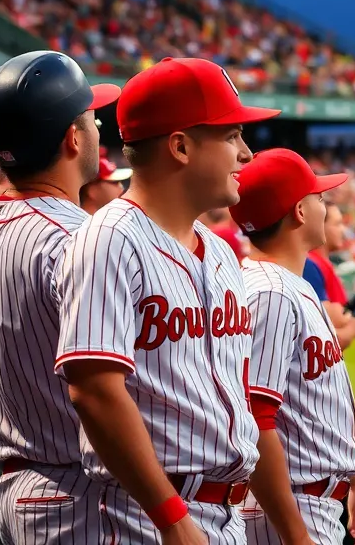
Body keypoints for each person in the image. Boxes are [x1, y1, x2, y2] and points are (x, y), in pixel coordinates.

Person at [55, 57, 279, 545]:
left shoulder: (218, 248)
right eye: (231, 136)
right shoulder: (108, 239)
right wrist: (171, 517)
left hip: (225, 512)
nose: (246, 154)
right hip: (147, 517)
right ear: (180, 146)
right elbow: (94, 391)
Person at [0, 50, 120, 545]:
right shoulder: (86, 240)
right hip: (96, 502)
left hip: (18, 493)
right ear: (73, 138)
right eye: (93, 119)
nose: (100, 129)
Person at [230, 149, 355, 545]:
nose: (324, 206)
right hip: (288, 509)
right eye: (318, 198)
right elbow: (256, 420)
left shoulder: (289, 285)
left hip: (313, 501)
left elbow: (316, 407)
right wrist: (296, 536)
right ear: (298, 212)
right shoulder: (271, 294)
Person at [304, 203, 355, 350]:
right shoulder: (309, 265)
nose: (343, 230)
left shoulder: (321, 264)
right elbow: (317, 341)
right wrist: (354, 326)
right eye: (337, 224)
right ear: (319, 225)